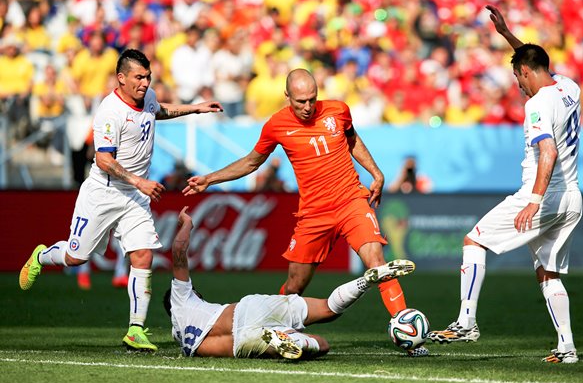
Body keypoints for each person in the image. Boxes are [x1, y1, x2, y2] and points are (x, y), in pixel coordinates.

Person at [183, 68, 427, 356]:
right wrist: (210, 179)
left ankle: (408, 332)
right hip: (313, 214)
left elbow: (352, 140)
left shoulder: (338, 110)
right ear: (287, 96)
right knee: (295, 285)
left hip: (351, 200)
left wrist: (375, 173)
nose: (308, 107)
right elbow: (251, 162)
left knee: (376, 260)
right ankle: (272, 328)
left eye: (312, 99)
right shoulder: (276, 125)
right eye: (301, 102)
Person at [19, 49, 223, 352]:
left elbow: (159, 109)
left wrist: (195, 108)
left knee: (144, 255)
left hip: (134, 196)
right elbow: (103, 159)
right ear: (122, 78)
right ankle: (41, 256)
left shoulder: (147, 96)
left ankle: (135, 330)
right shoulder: (109, 111)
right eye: (139, 77)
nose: (145, 82)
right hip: (103, 192)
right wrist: (140, 180)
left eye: (148, 76)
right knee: (77, 257)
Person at [429, 6, 583, 364]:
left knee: (473, 240)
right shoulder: (568, 88)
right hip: (572, 198)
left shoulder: (537, 106)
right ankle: (567, 348)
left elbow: (548, 152)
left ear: (525, 72)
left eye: (518, 77)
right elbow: (533, 58)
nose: (518, 85)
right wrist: (507, 36)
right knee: (549, 274)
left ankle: (466, 321)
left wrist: (533, 200)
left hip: (543, 194)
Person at [164, 206, 415, 359]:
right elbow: (178, 253)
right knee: (328, 308)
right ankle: (365, 281)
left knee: (320, 346)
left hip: (243, 343)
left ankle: (289, 340)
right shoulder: (181, 298)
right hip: (247, 309)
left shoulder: (183, 339)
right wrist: (187, 224)